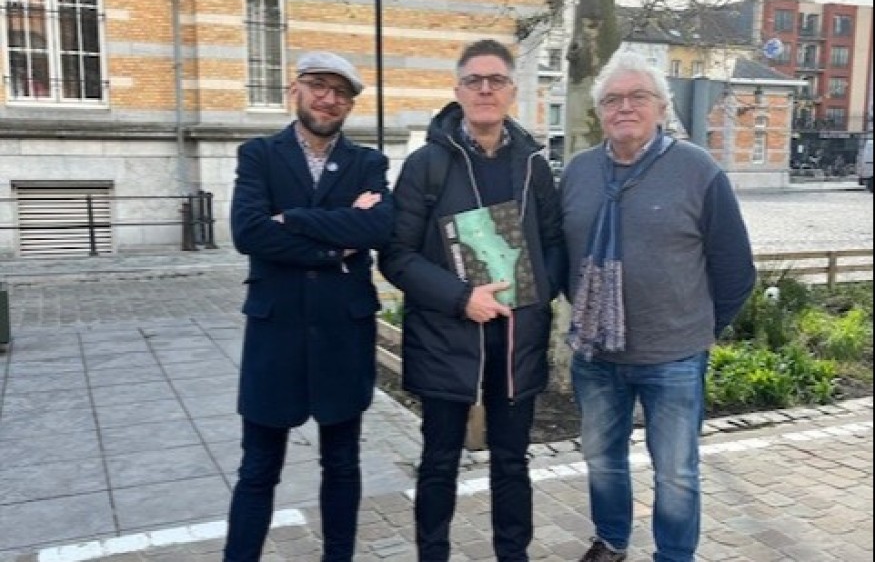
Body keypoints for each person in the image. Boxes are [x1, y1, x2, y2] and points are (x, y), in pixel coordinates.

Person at [560, 50, 756, 562]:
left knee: (675, 471)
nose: (624, 106)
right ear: (599, 111)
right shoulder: (578, 172)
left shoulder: (697, 169)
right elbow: (562, 257)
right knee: (601, 459)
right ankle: (611, 541)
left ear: (662, 107)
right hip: (596, 356)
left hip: (674, 356)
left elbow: (736, 268)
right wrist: (589, 313)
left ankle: (674, 555)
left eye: (638, 96)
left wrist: (697, 329)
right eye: (612, 99)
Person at [379, 39, 566, 561]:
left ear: (512, 91)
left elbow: (554, 242)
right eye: (474, 81)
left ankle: (513, 555)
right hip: (447, 337)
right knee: (440, 462)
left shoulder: (533, 164)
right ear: (458, 90)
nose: (485, 89)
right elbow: (395, 255)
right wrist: (462, 298)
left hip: (516, 339)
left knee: (512, 462)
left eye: (496, 80)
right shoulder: (426, 165)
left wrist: (538, 293)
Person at [224, 51, 393, 562]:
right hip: (276, 336)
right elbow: (248, 232)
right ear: (295, 89)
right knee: (258, 469)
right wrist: (337, 243)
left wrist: (291, 219)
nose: (329, 99)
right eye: (319, 85)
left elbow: (378, 228)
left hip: (343, 335)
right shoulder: (259, 154)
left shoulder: (368, 163)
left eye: (342, 93)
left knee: (342, 464)